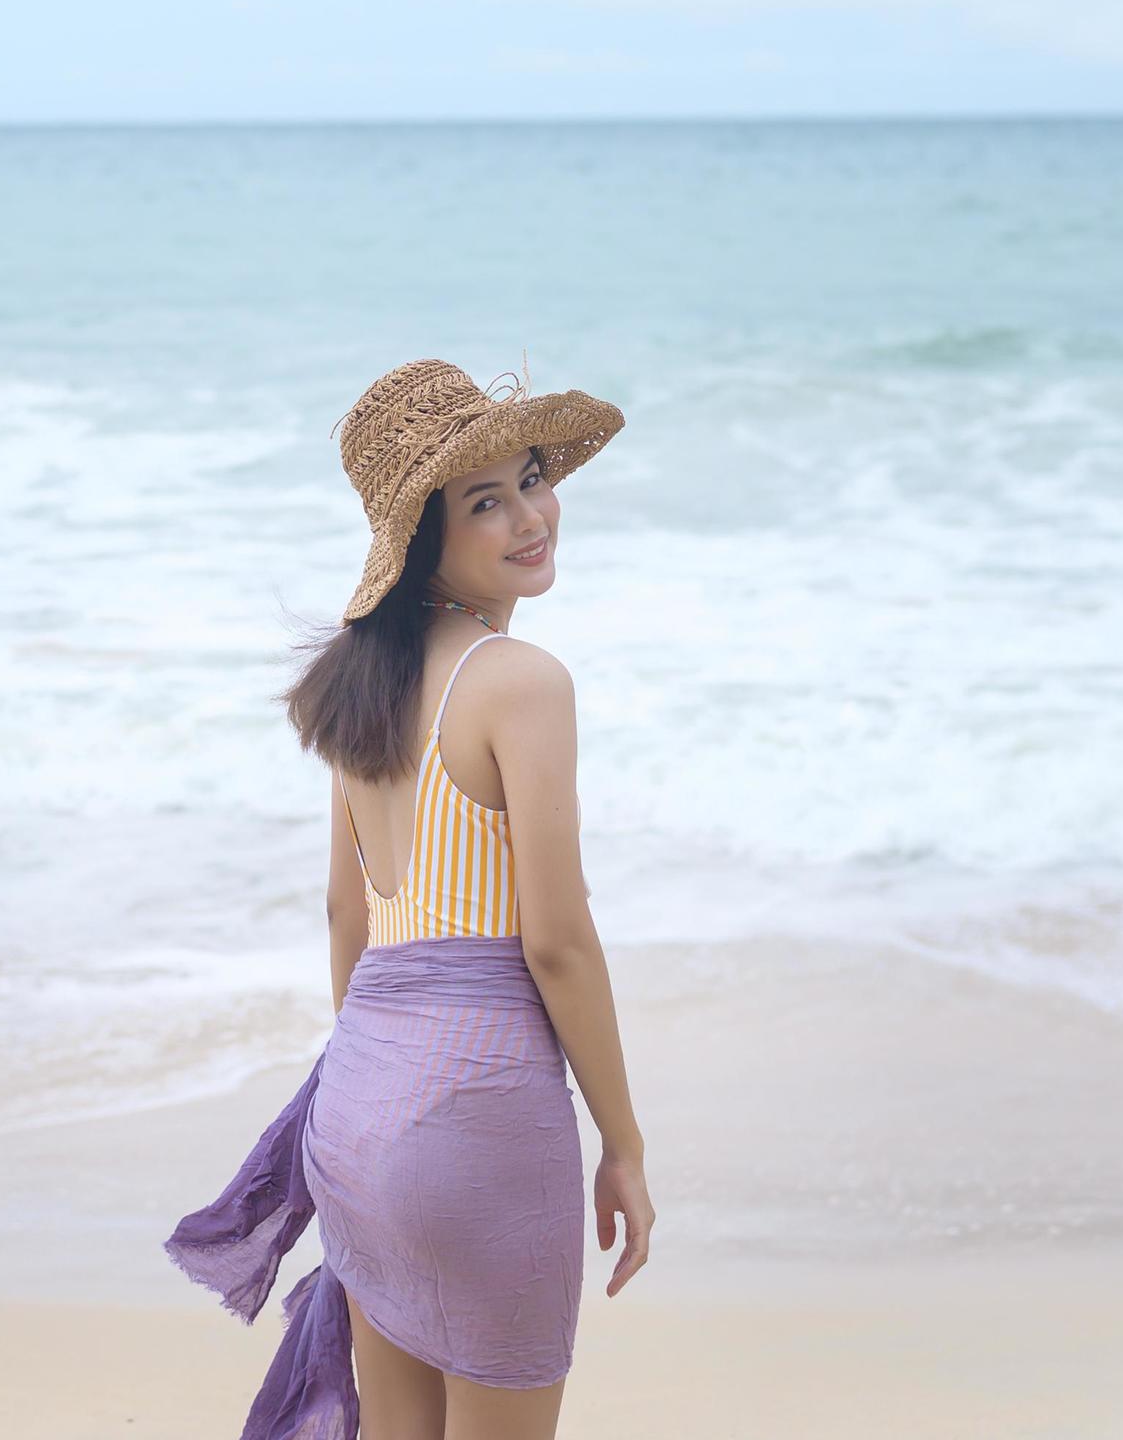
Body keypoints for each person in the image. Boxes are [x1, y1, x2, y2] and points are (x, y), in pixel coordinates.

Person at [165, 355, 657, 1440]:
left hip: (359, 1110)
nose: (532, 516)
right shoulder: (520, 683)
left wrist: (383, 1099)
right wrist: (621, 1142)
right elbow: (559, 942)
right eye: (488, 501)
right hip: (477, 1121)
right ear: (425, 535)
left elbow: (351, 919)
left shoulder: (368, 689)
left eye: (532, 477)